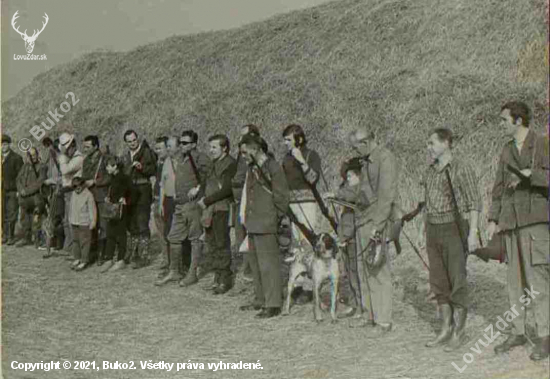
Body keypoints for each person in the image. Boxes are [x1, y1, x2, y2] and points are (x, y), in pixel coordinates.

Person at [488, 101, 549, 361]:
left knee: (538, 283)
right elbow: (499, 187)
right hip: (510, 224)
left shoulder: (542, 143)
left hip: (535, 222)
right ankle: (518, 330)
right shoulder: (505, 149)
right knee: (514, 283)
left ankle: (545, 336)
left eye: (504, 120)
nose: (501, 124)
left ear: (518, 121)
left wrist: (528, 174)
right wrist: (493, 218)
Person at [421, 128, 481, 351]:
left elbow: (474, 202)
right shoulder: (429, 171)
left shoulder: (461, 167)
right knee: (438, 282)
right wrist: (422, 230)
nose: (429, 148)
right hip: (433, 230)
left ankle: (459, 332)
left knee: (457, 281)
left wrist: (473, 232)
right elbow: (426, 203)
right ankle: (445, 329)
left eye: (432, 143)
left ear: (446, 143)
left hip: (454, 229)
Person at [348, 127, 401, 332]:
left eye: (355, 148)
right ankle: (369, 314)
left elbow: (386, 196)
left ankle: (384, 320)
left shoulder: (385, 158)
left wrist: (378, 227)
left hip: (375, 222)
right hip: (362, 220)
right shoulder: (366, 161)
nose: (354, 152)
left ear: (365, 142)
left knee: (378, 270)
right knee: (364, 269)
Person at [238, 133, 290, 318]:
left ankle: (273, 303)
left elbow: (282, 197)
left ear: (255, 150)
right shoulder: (253, 168)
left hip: (266, 223)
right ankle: (260, 299)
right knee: (257, 265)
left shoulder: (272, 167)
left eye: (245, 152)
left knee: (269, 266)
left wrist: (274, 218)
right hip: (253, 223)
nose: (243, 156)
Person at [160, 130, 211, 287]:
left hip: (193, 205)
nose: (181, 145)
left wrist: (198, 187)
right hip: (180, 205)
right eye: (180, 142)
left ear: (194, 144)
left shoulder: (199, 157)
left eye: (185, 143)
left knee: (195, 239)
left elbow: (210, 174)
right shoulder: (182, 158)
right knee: (174, 237)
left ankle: (192, 273)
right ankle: (174, 271)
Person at [324, 157, 372, 316]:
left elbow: (349, 196)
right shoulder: (348, 191)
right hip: (345, 239)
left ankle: (360, 305)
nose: (347, 179)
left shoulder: (357, 191)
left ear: (359, 176)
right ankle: (354, 303)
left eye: (350, 176)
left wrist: (335, 194)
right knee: (349, 274)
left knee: (355, 273)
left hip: (351, 240)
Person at [198, 134, 238, 295]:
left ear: (225, 148)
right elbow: (206, 183)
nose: (211, 150)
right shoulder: (214, 164)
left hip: (222, 209)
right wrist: (202, 196)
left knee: (222, 243)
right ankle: (217, 275)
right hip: (210, 210)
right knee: (212, 243)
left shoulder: (230, 164)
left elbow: (227, 189)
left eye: (214, 147)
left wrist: (207, 200)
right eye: (210, 147)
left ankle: (225, 278)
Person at [121, 129, 157, 269]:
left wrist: (142, 168)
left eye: (134, 140)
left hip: (143, 189)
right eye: (129, 141)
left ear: (138, 139)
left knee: (142, 220)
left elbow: (153, 170)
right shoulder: (125, 157)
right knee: (131, 222)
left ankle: (144, 255)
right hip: (130, 191)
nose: (132, 143)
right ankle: (134, 253)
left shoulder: (146, 152)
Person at [231, 124, 261, 282]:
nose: (241, 139)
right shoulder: (241, 154)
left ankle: (251, 270)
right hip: (238, 201)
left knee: (251, 236)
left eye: (245, 135)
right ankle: (246, 268)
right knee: (240, 236)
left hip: (250, 202)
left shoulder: (260, 155)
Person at [81, 135, 111, 266]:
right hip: (89, 197)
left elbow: (109, 177)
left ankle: (102, 253)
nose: (85, 149)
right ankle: (92, 252)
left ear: (96, 146)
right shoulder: (86, 160)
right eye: (84, 146)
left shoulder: (105, 159)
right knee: (91, 225)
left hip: (101, 196)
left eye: (88, 147)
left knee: (103, 226)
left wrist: (95, 181)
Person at [102, 156, 131, 272]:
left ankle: (120, 260)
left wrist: (125, 200)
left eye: (108, 166)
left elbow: (132, 191)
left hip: (121, 210)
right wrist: (108, 198)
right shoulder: (113, 178)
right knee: (110, 234)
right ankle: (109, 259)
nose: (106, 168)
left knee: (121, 235)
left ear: (114, 166)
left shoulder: (124, 178)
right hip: (112, 210)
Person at [57, 132, 85, 254]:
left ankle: (74, 249)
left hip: (74, 191)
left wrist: (62, 158)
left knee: (73, 221)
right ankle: (69, 247)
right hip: (67, 192)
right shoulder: (70, 158)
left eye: (68, 148)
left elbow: (65, 170)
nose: (67, 151)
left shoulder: (78, 158)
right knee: (67, 221)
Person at [15, 147, 47, 247]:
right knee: (24, 218)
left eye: (34, 155)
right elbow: (18, 179)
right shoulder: (25, 166)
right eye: (30, 155)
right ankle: (26, 238)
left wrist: (27, 191)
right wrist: (21, 190)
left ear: (37, 155)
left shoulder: (42, 167)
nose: (32, 157)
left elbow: (40, 182)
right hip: (24, 198)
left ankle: (38, 240)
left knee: (37, 219)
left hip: (35, 197)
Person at [68, 176, 97, 272]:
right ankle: (77, 258)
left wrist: (93, 221)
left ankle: (84, 260)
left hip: (84, 222)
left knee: (84, 242)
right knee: (75, 241)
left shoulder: (88, 195)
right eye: (75, 187)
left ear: (83, 185)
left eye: (79, 186)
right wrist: (70, 218)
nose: (77, 189)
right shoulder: (73, 194)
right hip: (74, 221)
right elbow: (71, 207)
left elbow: (92, 209)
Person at [2, 134, 24, 245]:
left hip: (12, 190)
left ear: (9, 145)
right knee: (2, 213)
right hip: (1, 191)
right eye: (1, 145)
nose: (3, 147)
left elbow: (20, 176)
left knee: (12, 213)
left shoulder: (16, 158)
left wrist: (18, 190)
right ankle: (4, 235)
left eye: (5, 144)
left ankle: (10, 236)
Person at [152, 136, 169, 276]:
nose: (157, 151)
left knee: (167, 232)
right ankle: (165, 259)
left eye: (160, 148)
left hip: (165, 201)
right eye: (156, 148)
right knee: (161, 232)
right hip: (157, 199)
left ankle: (170, 262)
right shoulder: (160, 162)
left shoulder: (170, 163)